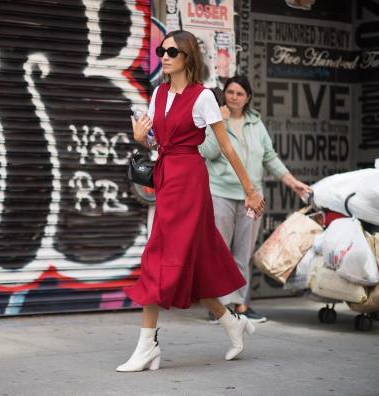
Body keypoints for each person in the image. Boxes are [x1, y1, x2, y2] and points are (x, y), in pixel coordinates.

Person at [117, 30, 265, 372]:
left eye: (172, 51)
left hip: (191, 184)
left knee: (157, 257)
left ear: (188, 58)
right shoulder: (157, 94)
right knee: (192, 266)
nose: (164, 56)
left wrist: (250, 190)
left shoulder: (203, 98)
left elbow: (227, 148)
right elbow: (160, 144)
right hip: (167, 178)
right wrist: (143, 140)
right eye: (161, 50)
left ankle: (147, 345)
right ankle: (232, 322)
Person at [199, 75, 312, 323]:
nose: (234, 98)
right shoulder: (215, 121)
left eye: (240, 94)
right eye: (230, 93)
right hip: (221, 193)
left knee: (243, 253)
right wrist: (220, 122)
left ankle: (239, 304)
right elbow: (206, 152)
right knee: (219, 252)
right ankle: (218, 306)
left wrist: (292, 183)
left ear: (248, 97)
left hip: (252, 197)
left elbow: (269, 157)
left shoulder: (255, 123)